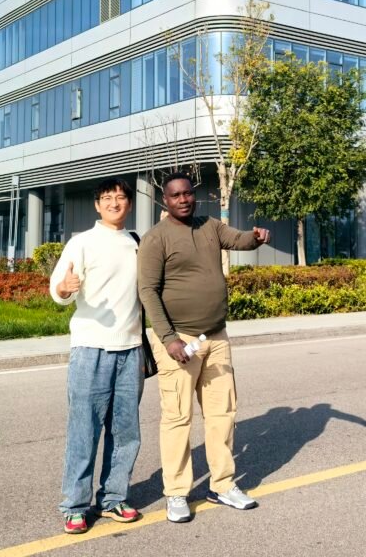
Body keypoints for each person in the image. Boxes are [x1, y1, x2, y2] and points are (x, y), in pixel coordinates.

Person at [137, 172, 270, 524]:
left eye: (188, 194)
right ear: (165, 200)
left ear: (195, 196)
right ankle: (177, 493)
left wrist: (255, 238)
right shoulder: (156, 238)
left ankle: (222, 485)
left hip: (216, 337)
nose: (184, 199)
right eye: (176, 195)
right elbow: (148, 291)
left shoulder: (210, 225)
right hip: (179, 340)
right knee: (178, 417)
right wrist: (168, 339)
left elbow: (238, 240)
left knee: (222, 414)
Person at [49, 177, 144, 535]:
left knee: (125, 431)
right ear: (97, 204)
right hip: (90, 348)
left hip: (131, 349)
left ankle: (114, 498)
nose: (114, 203)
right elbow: (58, 287)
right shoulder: (82, 242)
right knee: (83, 431)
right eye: (107, 198)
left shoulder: (137, 242)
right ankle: (74, 505)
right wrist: (64, 288)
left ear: (130, 204)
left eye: (121, 197)